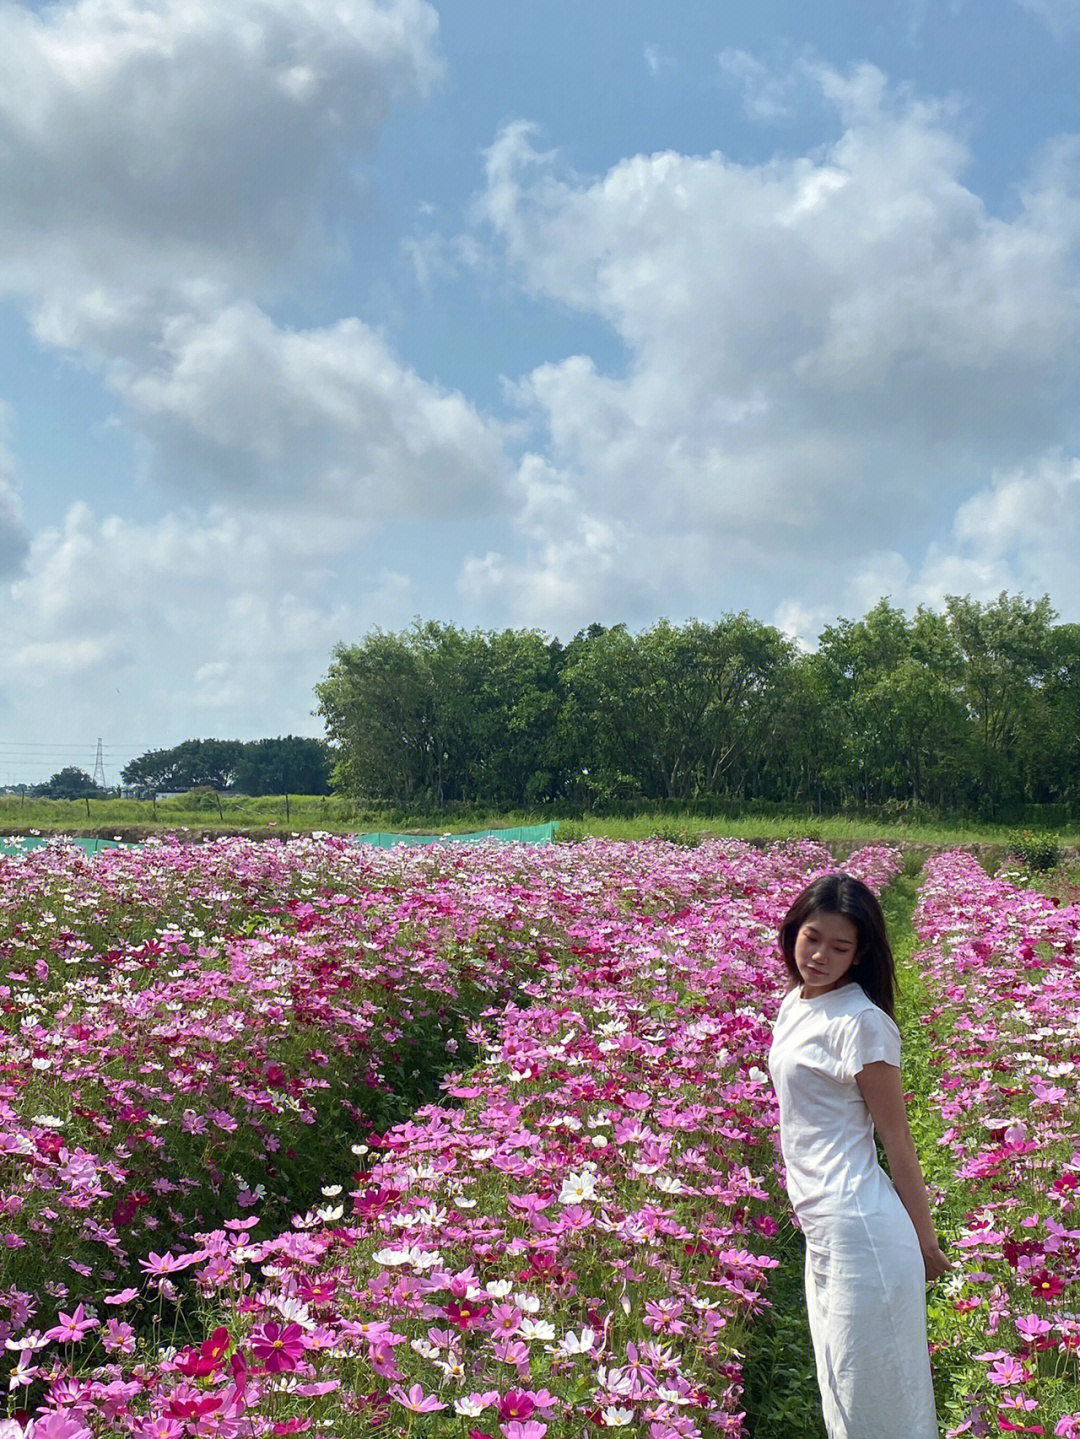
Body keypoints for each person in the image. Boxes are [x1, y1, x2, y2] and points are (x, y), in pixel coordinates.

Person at [766, 871, 949, 1439]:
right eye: (811, 938)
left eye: (839, 947)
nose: (819, 955)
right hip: (823, 1226)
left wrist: (925, 1243)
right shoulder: (795, 1002)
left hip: (860, 1231)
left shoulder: (862, 1024)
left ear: (860, 952)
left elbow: (897, 1140)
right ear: (794, 929)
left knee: (874, 1398)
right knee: (840, 1388)